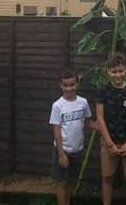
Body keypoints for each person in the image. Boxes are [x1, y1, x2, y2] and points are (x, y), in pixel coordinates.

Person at [96, 52, 126, 205]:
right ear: (108, 71)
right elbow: (100, 118)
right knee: (107, 178)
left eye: (121, 71)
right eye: (114, 71)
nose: (118, 75)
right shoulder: (103, 91)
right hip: (109, 141)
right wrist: (109, 144)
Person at [49, 69, 98, 205]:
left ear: (77, 84)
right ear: (61, 85)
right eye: (65, 85)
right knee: (62, 183)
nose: (69, 88)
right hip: (63, 151)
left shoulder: (83, 102)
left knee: (70, 182)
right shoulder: (57, 106)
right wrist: (61, 154)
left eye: (72, 85)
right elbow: (56, 131)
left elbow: (89, 122)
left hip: (77, 150)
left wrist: (103, 128)